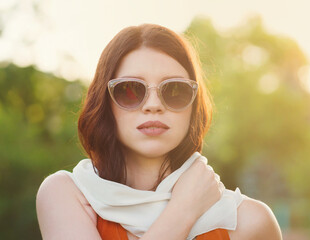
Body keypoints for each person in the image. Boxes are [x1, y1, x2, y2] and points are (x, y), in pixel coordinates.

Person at [36, 23, 282, 240]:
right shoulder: (66, 196)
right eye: (130, 89)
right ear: (105, 102)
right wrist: (183, 210)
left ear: (194, 106)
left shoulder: (251, 222)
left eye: (175, 90)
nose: (153, 105)